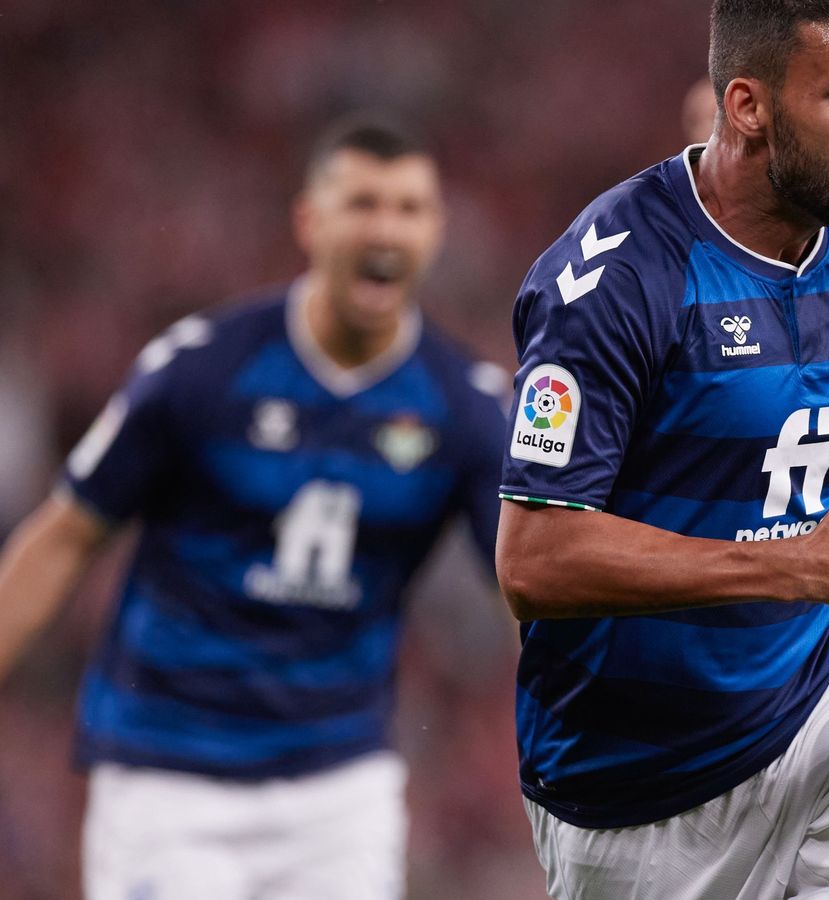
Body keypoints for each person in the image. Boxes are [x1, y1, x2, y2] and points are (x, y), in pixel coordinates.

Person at [494, 2, 829, 898]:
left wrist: (818, 574)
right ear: (749, 106)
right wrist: (799, 565)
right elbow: (534, 559)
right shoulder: (614, 280)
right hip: (633, 785)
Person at [0, 115, 511, 899]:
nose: (386, 226)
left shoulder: (463, 405)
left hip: (338, 786)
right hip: (170, 771)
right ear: (310, 222)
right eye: (363, 203)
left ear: (436, 231)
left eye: (409, 208)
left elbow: (526, 581)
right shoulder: (201, 370)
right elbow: (67, 534)